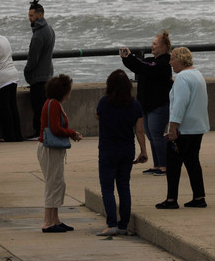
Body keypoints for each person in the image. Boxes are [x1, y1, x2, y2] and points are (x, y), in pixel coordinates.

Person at [94, 70, 148, 235]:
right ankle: (123, 224)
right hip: (127, 150)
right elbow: (139, 131)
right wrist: (143, 151)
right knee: (124, 186)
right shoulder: (135, 105)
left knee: (107, 187)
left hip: (108, 149)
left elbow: (97, 116)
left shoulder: (104, 102)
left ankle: (112, 224)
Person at [157, 46, 209, 209]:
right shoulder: (197, 74)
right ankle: (199, 197)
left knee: (173, 163)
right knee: (192, 161)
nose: (170, 63)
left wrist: (173, 127)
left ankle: (172, 199)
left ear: (180, 59)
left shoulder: (182, 78)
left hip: (184, 129)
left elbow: (180, 104)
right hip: (197, 127)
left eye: (172, 58)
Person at [120, 30, 173, 175]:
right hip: (147, 105)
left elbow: (145, 67)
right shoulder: (152, 61)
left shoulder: (164, 63)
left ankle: (164, 166)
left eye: (155, 44)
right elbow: (138, 66)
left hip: (159, 105)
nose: (152, 46)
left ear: (163, 46)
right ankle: (157, 165)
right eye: (152, 43)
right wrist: (126, 58)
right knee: (150, 134)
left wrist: (131, 56)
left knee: (157, 134)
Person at [38, 74, 83, 232]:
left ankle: (54, 219)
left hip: (49, 148)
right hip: (50, 149)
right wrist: (72, 133)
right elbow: (56, 129)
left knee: (57, 182)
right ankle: (47, 222)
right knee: (53, 183)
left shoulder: (51, 103)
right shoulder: (54, 104)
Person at [25, 0, 56, 138]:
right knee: (44, 106)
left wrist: (27, 71)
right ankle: (45, 131)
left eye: (31, 16)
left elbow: (33, 59)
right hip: (48, 73)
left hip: (38, 77)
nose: (29, 19)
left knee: (38, 107)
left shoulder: (38, 35)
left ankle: (39, 132)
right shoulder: (50, 30)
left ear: (40, 15)